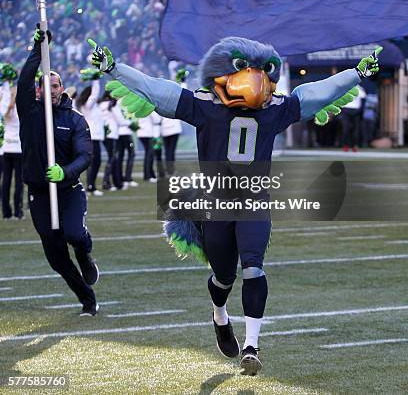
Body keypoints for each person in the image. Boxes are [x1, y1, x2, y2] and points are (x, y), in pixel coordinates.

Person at [89, 36, 382, 374]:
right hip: (215, 204)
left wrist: (356, 73)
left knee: (254, 266)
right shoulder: (204, 105)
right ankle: (219, 314)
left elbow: (317, 92)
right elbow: (154, 88)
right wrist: (114, 68)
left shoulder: (276, 109)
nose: (254, 79)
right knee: (224, 277)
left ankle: (252, 346)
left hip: (255, 200)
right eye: (245, 68)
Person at [16, 26, 99, 316]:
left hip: (68, 190)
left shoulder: (74, 120)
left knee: (74, 234)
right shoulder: (29, 111)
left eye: (55, 85)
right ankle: (87, 299)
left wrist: (65, 172)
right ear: (37, 90)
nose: (49, 90)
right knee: (55, 257)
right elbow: (24, 78)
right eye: (44, 85)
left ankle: (85, 254)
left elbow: (85, 156)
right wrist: (38, 51)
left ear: (62, 88)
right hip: (40, 194)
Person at [76, 73, 104, 197]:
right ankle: (90, 186)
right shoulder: (88, 105)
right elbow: (95, 94)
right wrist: (96, 80)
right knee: (94, 162)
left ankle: (91, 185)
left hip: (96, 136)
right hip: (92, 137)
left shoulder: (92, 106)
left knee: (95, 162)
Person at [0, 80, 24, 219]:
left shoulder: (5, 110)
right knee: (19, 182)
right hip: (18, 149)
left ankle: (6, 213)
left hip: (6, 149)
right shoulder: (20, 110)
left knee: (6, 182)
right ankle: (18, 212)